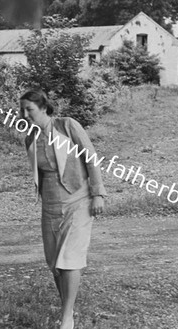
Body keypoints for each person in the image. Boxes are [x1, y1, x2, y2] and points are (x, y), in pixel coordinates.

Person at [19, 90, 106, 329]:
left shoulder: (67, 126)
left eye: (30, 110)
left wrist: (97, 193)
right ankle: (67, 306)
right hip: (50, 204)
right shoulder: (31, 138)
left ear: (44, 108)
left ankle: (66, 316)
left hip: (78, 200)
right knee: (54, 262)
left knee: (70, 257)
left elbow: (91, 157)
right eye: (22, 110)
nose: (25, 115)